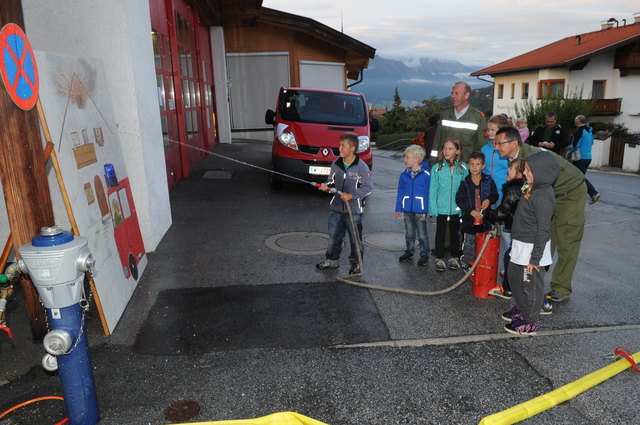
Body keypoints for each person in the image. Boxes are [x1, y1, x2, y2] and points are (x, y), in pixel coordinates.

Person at [493, 126, 587, 303]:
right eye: (494, 143)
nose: (496, 147)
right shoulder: (514, 158)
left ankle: (561, 287)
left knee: (567, 239)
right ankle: (531, 281)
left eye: (499, 143)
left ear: (514, 143)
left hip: (570, 193)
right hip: (547, 193)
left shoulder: (531, 157)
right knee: (541, 236)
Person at [501, 151, 559, 335]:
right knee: (514, 278)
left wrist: (535, 259)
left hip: (532, 248)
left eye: (528, 170)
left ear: (542, 172)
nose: (524, 173)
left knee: (530, 285)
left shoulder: (543, 196)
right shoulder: (531, 187)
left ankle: (531, 321)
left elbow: (543, 229)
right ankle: (522, 309)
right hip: (520, 244)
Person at [316, 132, 373, 274]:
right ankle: (331, 261)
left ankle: (356, 263)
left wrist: (352, 196)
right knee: (334, 237)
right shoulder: (336, 163)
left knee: (355, 240)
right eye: (339, 145)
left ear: (352, 149)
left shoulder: (361, 166)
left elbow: (368, 187)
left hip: (353, 210)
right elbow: (331, 182)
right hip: (336, 208)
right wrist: (326, 186)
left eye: (343, 145)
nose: (339, 148)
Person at [429, 138, 468, 272]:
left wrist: (465, 208)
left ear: (457, 151)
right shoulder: (437, 168)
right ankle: (439, 258)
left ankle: (454, 257)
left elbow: (466, 189)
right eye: (445, 148)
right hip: (441, 207)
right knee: (440, 233)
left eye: (450, 148)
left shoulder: (463, 168)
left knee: (455, 233)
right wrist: (433, 208)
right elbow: (433, 189)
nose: (446, 151)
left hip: (457, 208)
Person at [455, 151, 498, 266]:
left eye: (478, 164)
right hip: (470, 220)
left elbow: (495, 195)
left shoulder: (488, 181)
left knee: (484, 242)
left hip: (485, 219)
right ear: (468, 165)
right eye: (472, 164)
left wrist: (489, 200)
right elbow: (459, 200)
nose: (474, 167)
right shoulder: (465, 183)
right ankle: (468, 263)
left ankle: (482, 264)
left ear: (483, 166)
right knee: (469, 242)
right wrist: (471, 211)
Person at [430, 82, 486, 163]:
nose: (452, 96)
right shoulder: (445, 115)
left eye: (456, 93)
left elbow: (482, 147)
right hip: (443, 167)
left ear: (466, 95)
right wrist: (433, 163)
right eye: (452, 93)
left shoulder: (478, 118)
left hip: (465, 169)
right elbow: (436, 142)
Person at [395, 145, 431, 266]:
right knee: (409, 233)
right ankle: (409, 252)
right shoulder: (403, 175)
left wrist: (429, 209)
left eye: (407, 157)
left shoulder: (427, 174)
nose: (405, 160)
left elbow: (430, 192)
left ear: (416, 159)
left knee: (422, 234)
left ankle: (424, 254)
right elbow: (400, 192)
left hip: (421, 209)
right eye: (404, 157)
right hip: (407, 209)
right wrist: (398, 208)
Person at [568, 115, 601, 204]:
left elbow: (575, 145)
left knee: (579, 177)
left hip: (580, 158)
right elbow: (592, 143)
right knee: (577, 177)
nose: (574, 122)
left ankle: (594, 193)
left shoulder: (579, 131)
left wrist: (569, 150)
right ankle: (576, 196)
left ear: (578, 122)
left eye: (575, 121)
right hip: (588, 157)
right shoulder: (589, 130)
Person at [481, 115, 510, 201]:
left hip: (504, 194)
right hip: (487, 194)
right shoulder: (484, 149)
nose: (489, 132)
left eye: (493, 130)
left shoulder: (508, 149)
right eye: (488, 129)